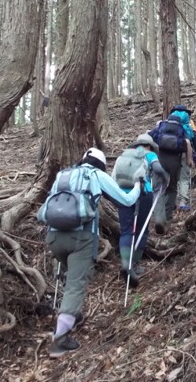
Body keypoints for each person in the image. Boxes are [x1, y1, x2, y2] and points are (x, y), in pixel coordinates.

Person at [37, 147, 142, 358]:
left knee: (70, 278)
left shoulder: (62, 175)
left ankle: (72, 314)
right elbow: (126, 200)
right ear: (101, 165)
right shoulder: (96, 175)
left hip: (54, 237)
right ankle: (60, 340)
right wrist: (138, 185)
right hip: (82, 238)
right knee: (76, 284)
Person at [111, 134, 169, 286]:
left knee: (126, 230)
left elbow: (114, 177)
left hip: (123, 195)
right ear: (149, 145)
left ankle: (125, 263)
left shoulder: (124, 155)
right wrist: (165, 179)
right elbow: (158, 169)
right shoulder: (149, 155)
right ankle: (134, 264)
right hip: (143, 194)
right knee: (142, 230)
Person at [149, 108, 193, 234]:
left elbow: (150, 137)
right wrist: (189, 160)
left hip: (160, 159)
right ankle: (167, 218)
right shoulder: (181, 130)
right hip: (175, 162)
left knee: (158, 189)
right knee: (172, 188)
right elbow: (188, 143)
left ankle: (158, 218)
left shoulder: (161, 126)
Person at [172, 104, 196, 211]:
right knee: (184, 178)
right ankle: (182, 202)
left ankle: (172, 201)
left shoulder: (170, 122)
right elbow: (194, 139)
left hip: (171, 153)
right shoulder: (189, 122)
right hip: (185, 152)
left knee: (173, 178)